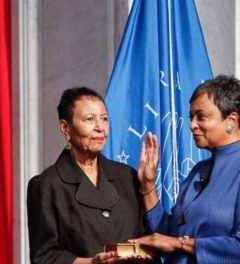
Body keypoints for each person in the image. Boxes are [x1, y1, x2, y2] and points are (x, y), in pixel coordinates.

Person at [27, 87, 153, 264]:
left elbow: (147, 241)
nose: (100, 128)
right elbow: (44, 257)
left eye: (104, 119)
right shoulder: (47, 185)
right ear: (65, 128)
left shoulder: (127, 176)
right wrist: (92, 263)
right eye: (90, 119)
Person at [131, 75, 240, 263]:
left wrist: (180, 244)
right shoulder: (198, 171)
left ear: (231, 120)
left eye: (201, 117)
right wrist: (148, 183)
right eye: (191, 117)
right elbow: (167, 234)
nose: (192, 125)